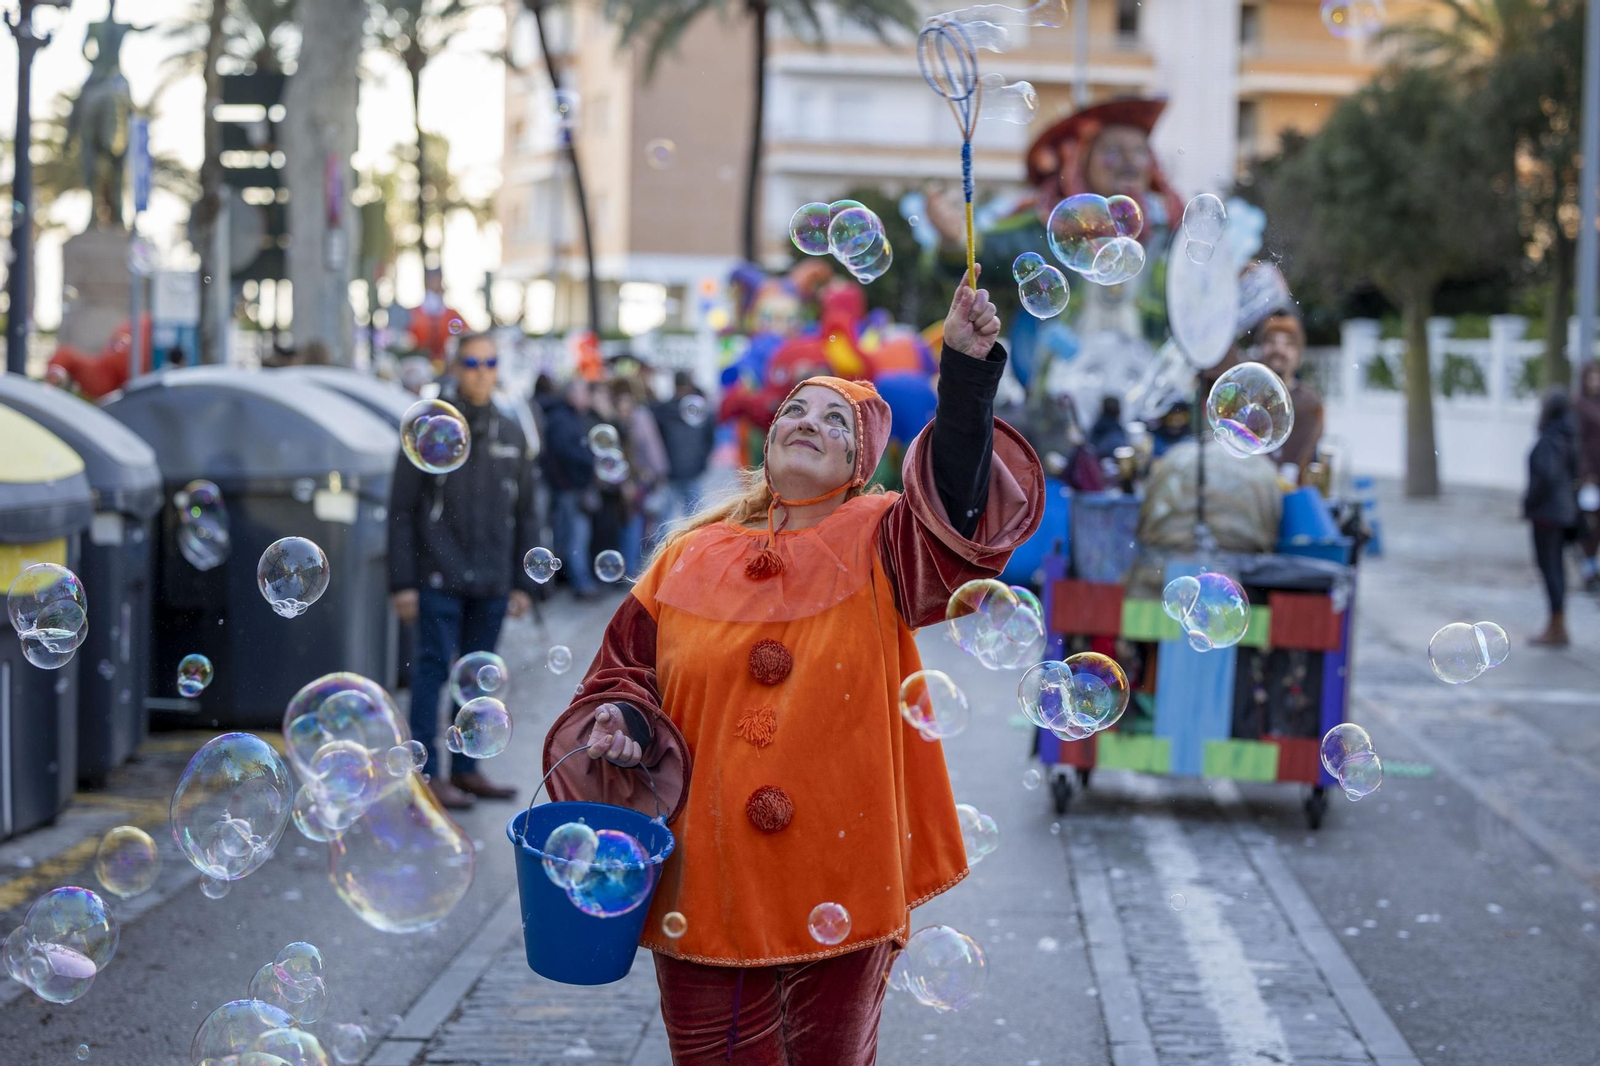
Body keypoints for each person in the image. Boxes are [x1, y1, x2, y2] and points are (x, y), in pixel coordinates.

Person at [542, 269, 1043, 1065]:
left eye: (833, 419)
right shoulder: (685, 559)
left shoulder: (886, 540)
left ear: (862, 466)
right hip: (706, 893)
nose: (807, 421)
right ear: (765, 442)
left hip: (843, 878)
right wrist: (621, 720)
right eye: (792, 411)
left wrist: (965, 369)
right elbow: (619, 676)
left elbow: (956, 504)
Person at [928, 98, 1184, 393]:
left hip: (1146, 394)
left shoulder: (1170, 234)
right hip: (1057, 397)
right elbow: (984, 256)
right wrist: (955, 238)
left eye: (1140, 152)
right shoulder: (1048, 223)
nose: (1129, 162)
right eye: (1113, 151)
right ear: (1082, 158)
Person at [389, 332, 535, 809]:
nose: (481, 371)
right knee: (432, 672)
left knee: (477, 680)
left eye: (490, 362)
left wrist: (522, 581)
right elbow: (401, 509)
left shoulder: (510, 432)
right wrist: (402, 583)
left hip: (492, 577)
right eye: (472, 362)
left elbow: (529, 510)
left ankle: (467, 769)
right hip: (437, 576)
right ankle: (429, 773)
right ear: (455, 366)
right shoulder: (429, 425)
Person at [1525, 388, 1580, 647]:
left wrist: (1529, 502)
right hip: (1564, 511)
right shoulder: (1568, 436)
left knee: (1550, 568)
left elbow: (1544, 477)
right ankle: (1558, 623)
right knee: (1556, 568)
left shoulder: (1549, 439)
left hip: (1547, 513)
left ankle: (1556, 626)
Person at [540, 377, 601, 599]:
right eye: (584, 392)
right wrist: (589, 461)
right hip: (569, 488)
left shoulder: (572, 417)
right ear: (571, 395)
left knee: (572, 536)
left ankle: (571, 581)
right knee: (575, 537)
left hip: (573, 487)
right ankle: (580, 584)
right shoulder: (562, 419)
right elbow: (564, 454)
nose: (588, 397)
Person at [1255, 312, 1324, 474]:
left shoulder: (1309, 403)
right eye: (1271, 342)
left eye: (1288, 344)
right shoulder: (1247, 395)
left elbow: (1306, 458)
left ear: (1298, 354)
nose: (1279, 349)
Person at [652, 371, 718, 524]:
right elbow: (710, 439)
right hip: (691, 470)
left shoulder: (663, 410)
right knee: (695, 519)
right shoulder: (700, 409)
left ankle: (662, 548)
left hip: (671, 471)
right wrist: (701, 461)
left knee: (664, 520)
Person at [1572, 361, 1600, 591]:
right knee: (1588, 523)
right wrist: (1585, 472)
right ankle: (1588, 568)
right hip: (1589, 475)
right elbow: (1578, 442)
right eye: (1592, 377)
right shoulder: (1579, 405)